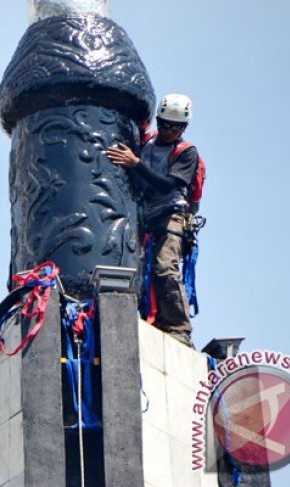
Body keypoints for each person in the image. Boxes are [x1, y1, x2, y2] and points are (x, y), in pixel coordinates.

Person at [106, 93, 198, 348]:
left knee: (164, 268)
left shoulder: (186, 153)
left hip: (171, 216)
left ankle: (179, 327)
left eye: (175, 127)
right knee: (142, 272)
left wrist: (136, 164)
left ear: (184, 128)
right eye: (164, 124)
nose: (168, 130)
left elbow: (169, 184)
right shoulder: (146, 143)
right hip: (145, 216)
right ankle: (153, 319)